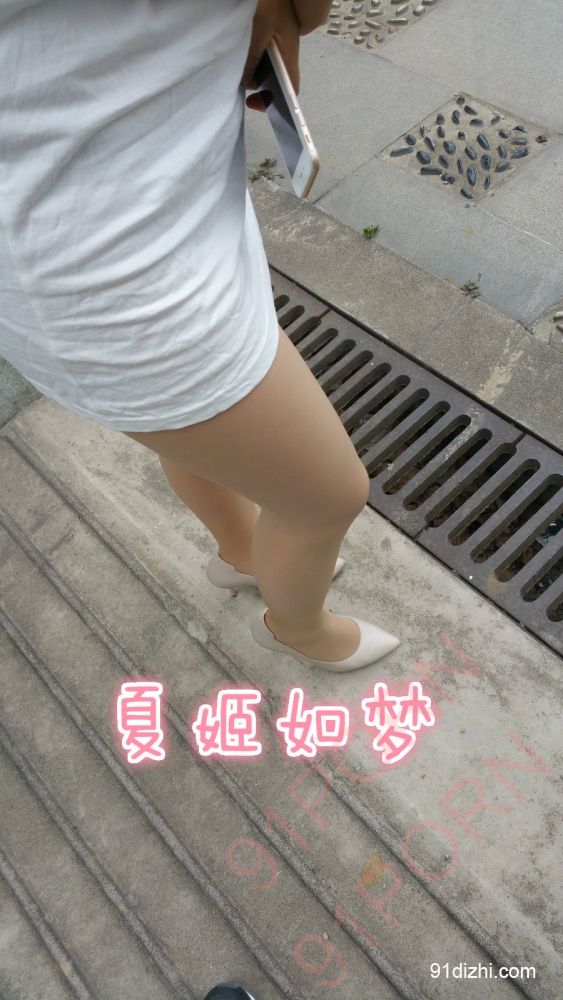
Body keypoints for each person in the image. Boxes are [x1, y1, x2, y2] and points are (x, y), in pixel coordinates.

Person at [0, 0, 400, 670]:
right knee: (328, 497)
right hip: (114, 262)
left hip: (141, 195)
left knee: (193, 430)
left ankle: (242, 555)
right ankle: (296, 629)